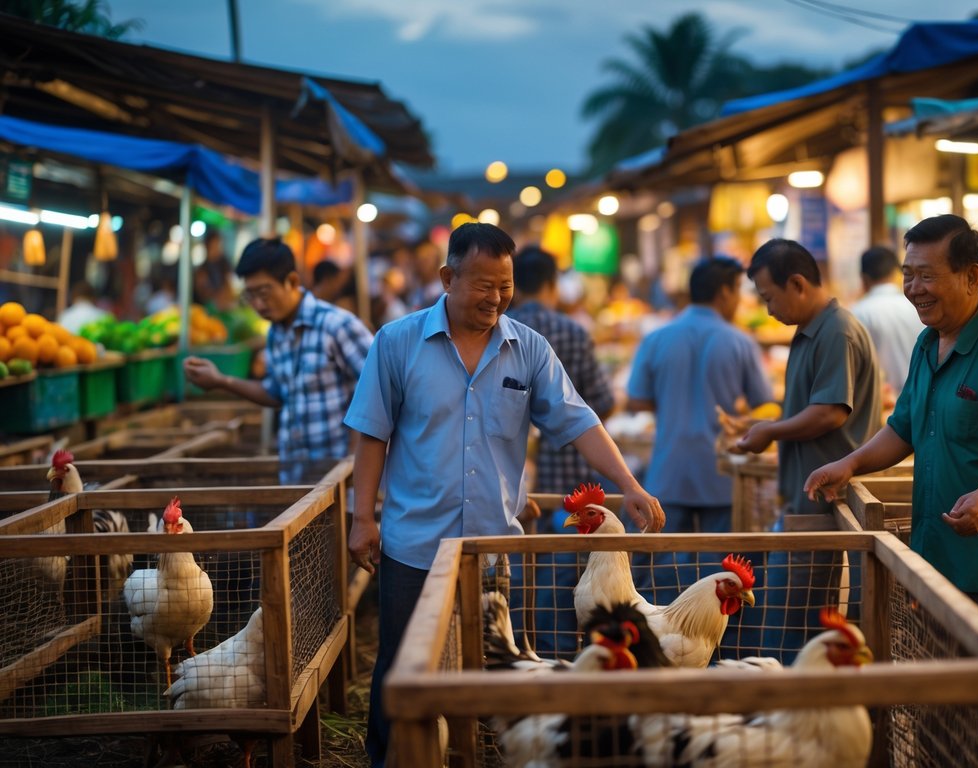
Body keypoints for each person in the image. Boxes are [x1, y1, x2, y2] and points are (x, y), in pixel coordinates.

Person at [343, 222, 665, 768]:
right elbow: (372, 431)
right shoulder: (396, 342)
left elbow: (578, 420)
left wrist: (628, 485)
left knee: (490, 662)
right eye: (483, 285)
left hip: (495, 546)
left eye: (505, 286)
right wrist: (362, 516)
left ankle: (480, 755)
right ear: (448, 277)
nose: (496, 298)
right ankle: (388, 758)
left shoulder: (528, 349)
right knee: (401, 663)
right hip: (416, 543)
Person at [804, 214, 978, 647]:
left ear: (971, 276)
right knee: (942, 700)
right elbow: (904, 429)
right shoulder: (927, 344)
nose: (914, 289)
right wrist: (849, 464)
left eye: (927, 276)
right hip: (934, 559)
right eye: (908, 275)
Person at [732, 238, 880, 658]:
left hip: (823, 506)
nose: (768, 309)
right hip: (806, 500)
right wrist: (759, 425)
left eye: (769, 297)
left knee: (794, 625)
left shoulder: (836, 331)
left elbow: (831, 412)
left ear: (797, 283)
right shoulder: (809, 332)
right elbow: (811, 409)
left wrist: (771, 432)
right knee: (791, 620)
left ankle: (789, 705)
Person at [626, 256, 773, 601]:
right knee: (716, 582)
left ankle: (659, 649)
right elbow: (763, 405)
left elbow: (636, 400)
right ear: (724, 292)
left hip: (668, 471)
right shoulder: (739, 341)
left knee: (662, 577)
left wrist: (671, 398)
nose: (739, 300)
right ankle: (714, 653)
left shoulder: (656, 338)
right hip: (719, 473)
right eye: (738, 290)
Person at [183, 238, 373, 484]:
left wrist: (354, 460)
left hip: (343, 480)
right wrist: (221, 380)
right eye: (250, 296)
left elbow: (380, 389)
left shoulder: (338, 325)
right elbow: (275, 392)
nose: (258, 305)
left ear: (292, 281)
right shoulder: (275, 333)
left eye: (264, 293)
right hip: (297, 479)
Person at [506, 244, 617, 655]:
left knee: (518, 571)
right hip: (571, 472)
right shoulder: (573, 331)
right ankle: (562, 654)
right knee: (568, 572)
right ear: (553, 284)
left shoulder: (500, 330)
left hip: (512, 481)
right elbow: (602, 403)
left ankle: (521, 649)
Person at [850, 245, 923, 397]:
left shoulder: (857, 313)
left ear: (864, 278)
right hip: (921, 398)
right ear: (896, 273)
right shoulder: (919, 307)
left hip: (884, 405)